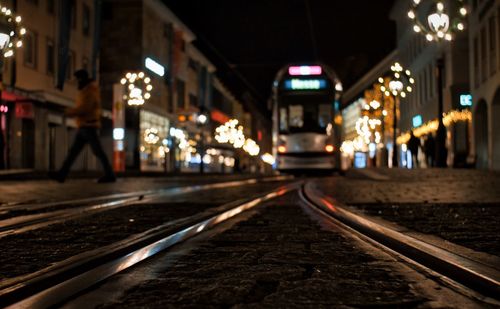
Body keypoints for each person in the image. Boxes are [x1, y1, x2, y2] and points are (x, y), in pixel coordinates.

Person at [51, 69, 116, 183]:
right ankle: (62, 174)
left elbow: (85, 108)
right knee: (75, 152)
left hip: (89, 125)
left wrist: (69, 112)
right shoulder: (86, 90)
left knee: (97, 151)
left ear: (81, 79)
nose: (76, 82)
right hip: (84, 125)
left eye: (77, 79)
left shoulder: (90, 91)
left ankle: (110, 174)